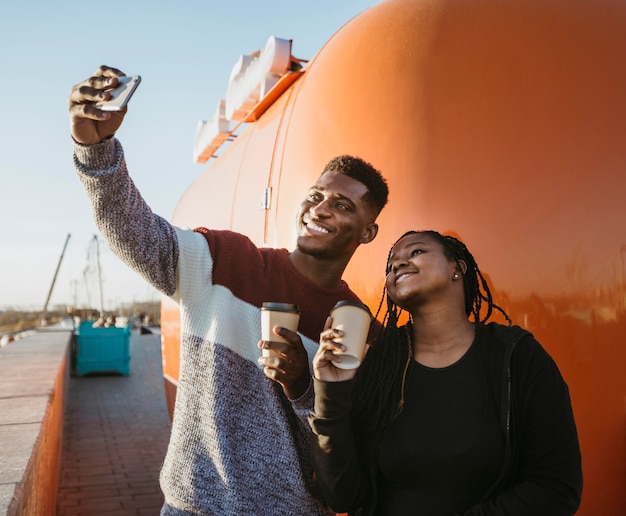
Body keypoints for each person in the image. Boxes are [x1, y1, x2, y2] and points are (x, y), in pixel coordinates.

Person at [68, 65, 389, 515]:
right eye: (316, 195)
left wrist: (301, 388)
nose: (320, 209)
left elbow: (348, 455)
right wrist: (94, 148)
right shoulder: (227, 259)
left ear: (367, 232)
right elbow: (132, 230)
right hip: (190, 507)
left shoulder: (361, 329)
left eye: (341, 205)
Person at [309, 230, 582, 515]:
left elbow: (555, 487)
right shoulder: (378, 363)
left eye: (416, 252)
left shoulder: (517, 356)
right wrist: (330, 395)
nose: (398, 265)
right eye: (391, 265)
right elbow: (343, 497)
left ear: (457, 268)